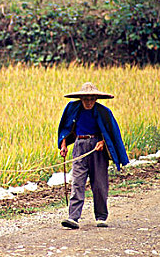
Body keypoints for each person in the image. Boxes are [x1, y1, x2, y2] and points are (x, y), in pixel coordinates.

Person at [57, 82, 129, 229]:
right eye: (86, 99)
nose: (89, 102)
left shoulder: (104, 112)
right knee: (77, 182)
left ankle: (101, 217)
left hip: (97, 148)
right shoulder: (73, 109)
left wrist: (102, 141)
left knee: (99, 184)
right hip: (79, 145)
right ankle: (73, 218)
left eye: (91, 99)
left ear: (96, 98)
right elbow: (65, 128)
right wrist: (63, 145)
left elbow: (111, 133)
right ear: (81, 98)